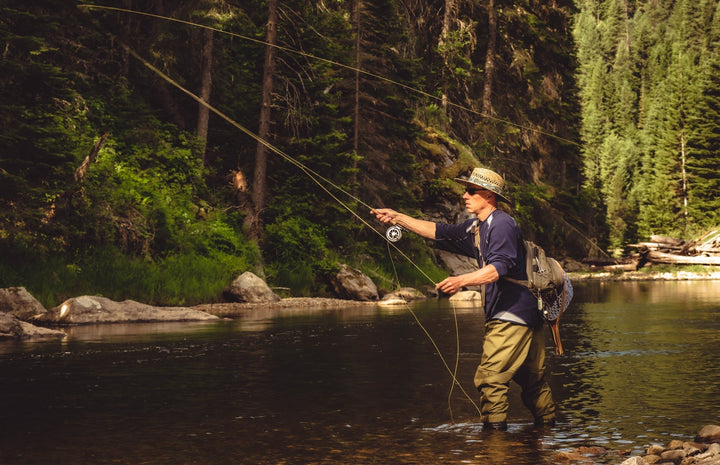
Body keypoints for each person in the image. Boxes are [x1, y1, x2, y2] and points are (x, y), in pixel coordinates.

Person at [371, 167, 556, 431]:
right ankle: (551, 436)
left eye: (471, 191)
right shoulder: (477, 227)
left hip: (510, 315)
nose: (464, 195)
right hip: (527, 314)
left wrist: (461, 280)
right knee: (532, 380)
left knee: (491, 380)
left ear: (489, 196)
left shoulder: (502, 224)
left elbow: (498, 268)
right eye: (465, 190)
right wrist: (398, 218)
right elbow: (439, 231)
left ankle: (495, 446)